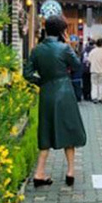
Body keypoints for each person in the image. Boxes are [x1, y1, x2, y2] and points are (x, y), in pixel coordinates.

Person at [24, 16, 87, 187]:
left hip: (47, 92)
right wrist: (70, 46)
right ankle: (70, 172)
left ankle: (39, 173)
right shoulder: (64, 48)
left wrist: (42, 82)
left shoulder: (37, 50)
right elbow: (77, 66)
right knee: (69, 129)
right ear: (62, 31)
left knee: (46, 130)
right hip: (64, 91)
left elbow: (27, 74)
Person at [88, 38, 102, 103]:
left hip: (94, 70)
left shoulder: (92, 51)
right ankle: (100, 97)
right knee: (101, 84)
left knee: (94, 84)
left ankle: (94, 97)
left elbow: (89, 60)